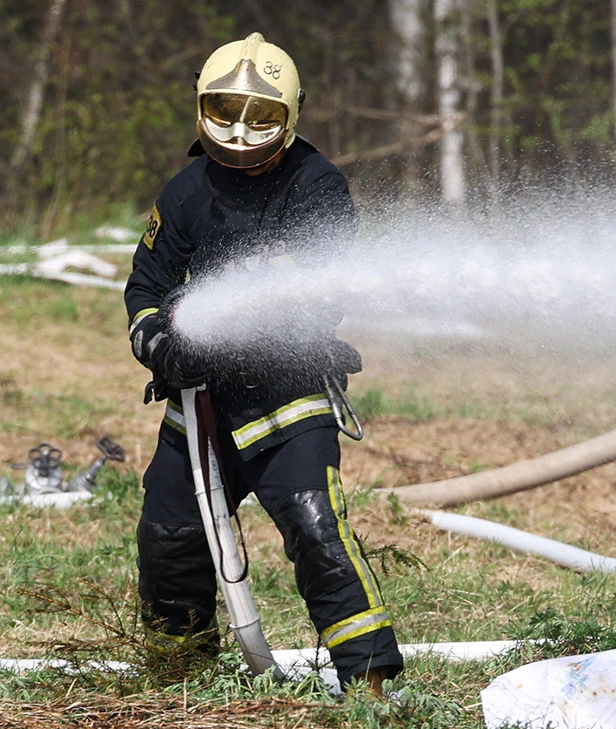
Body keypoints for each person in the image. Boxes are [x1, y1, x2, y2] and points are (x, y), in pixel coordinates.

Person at [123, 32, 403, 695]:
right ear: (200, 105)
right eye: (226, 110)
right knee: (169, 535)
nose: (242, 130)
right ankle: (178, 674)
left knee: (315, 526)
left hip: (289, 400)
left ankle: (370, 686)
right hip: (199, 412)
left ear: (291, 115)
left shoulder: (316, 184)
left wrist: (221, 330)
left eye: (262, 115)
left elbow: (320, 289)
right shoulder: (187, 190)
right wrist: (160, 339)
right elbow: (145, 285)